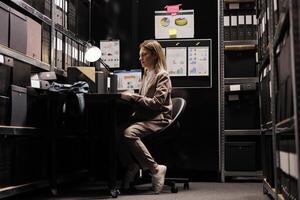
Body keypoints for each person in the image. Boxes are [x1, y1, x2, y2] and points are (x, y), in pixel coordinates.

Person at [119, 39, 172, 194]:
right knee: (117, 131)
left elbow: (157, 103)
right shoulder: (147, 73)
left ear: (155, 55)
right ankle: (132, 165)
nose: (140, 58)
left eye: (144, 55)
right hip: (147, 116)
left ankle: (156, 169)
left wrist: (133, 97)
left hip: (159, 117)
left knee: (129, 133)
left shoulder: (162, 76)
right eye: (140, 55)